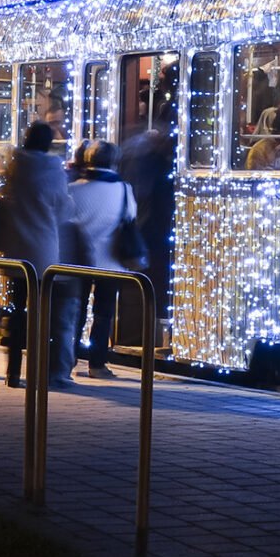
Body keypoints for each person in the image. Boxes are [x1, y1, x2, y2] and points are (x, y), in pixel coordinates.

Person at [0, 121, 70, 387]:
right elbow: (63, 206)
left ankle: (12, 372)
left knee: (16, 312)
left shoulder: (11, 164)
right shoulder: (53, 169)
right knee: (41, 314)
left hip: (14, 247)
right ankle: (38, 372)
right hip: (42, 248)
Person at [59, 140, 139, 380]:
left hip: (78, 260)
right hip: (110, 262)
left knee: (76, 311)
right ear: (114, 160)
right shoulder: (124, 189)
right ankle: (97, 364)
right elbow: (130, 216)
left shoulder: (73, 188)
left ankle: (68, 360)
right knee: (103, 313)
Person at [118, 110, 177, 321]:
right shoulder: (153, 160)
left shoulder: (130, 152)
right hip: (149, 228)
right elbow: (144, 194)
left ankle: (137, 323)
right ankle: (146, 323)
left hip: (140, 226)